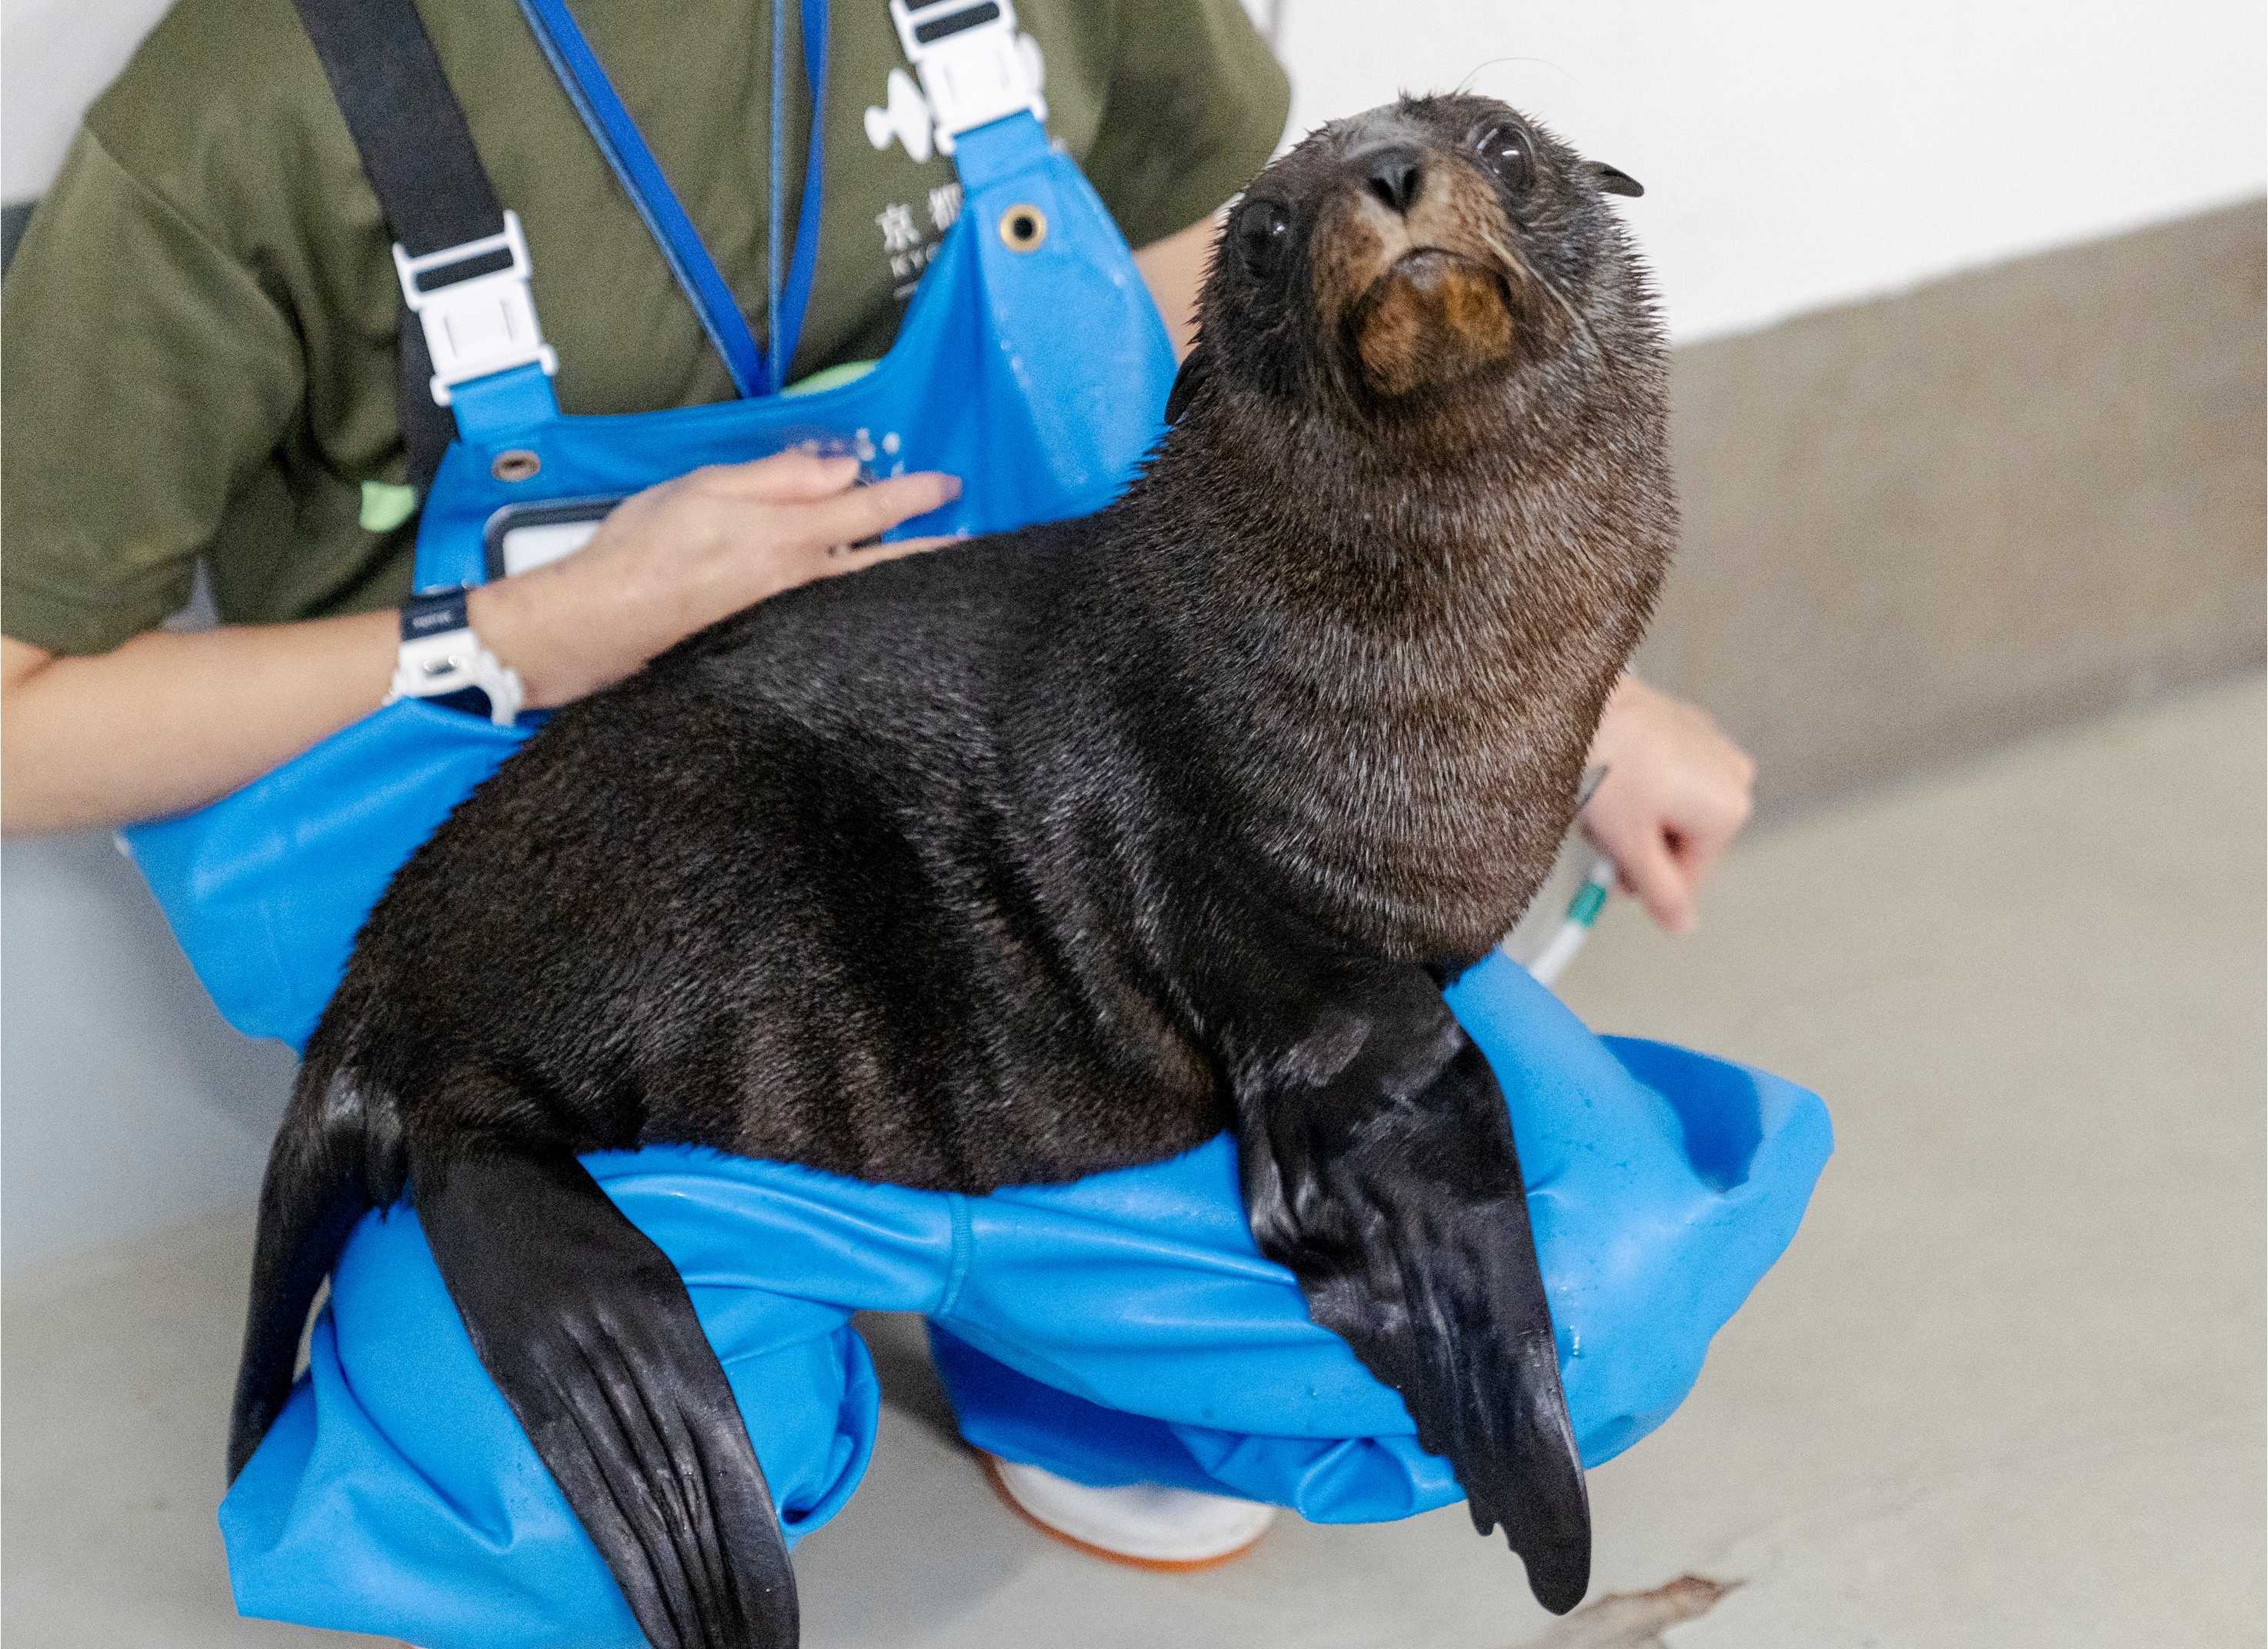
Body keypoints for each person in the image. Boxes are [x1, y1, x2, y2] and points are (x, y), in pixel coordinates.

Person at [0, 0, 1753, 1565]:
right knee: (546, 1514)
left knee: (1595, 1284)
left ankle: (1074, 1381)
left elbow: (1250, 349)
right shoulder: (253, 103)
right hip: (614, 989)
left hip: (1112, 863)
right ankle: (779, 1287)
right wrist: (534, 631)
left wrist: (1570, 700)